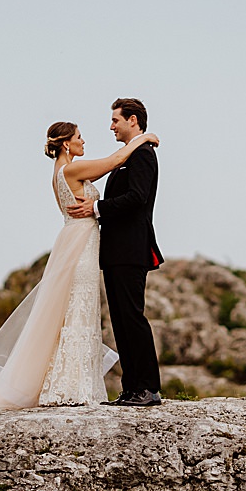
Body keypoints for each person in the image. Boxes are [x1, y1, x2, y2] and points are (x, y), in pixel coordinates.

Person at [0, 120, 159, 415]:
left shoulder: (59, 173)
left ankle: (78, 383)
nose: (85, 141)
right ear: (66, 143)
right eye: (80, 137)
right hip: (81, 247)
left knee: (76, 312)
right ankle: (73, 385)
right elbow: (115, 160)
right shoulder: (70, 170)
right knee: (78, 311)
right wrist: (145, 138)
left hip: (79, 242)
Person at [66, 98, 164, 407]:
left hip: (131, 249)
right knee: (120, 321)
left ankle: (148, 388)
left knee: (132, 318)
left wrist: (95, 208)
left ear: (133, 121)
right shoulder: (128, 156)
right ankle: (130, 388)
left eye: (116, 120)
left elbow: (137, 198)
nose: (111, 126)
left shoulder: (144, 156)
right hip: (115, 251)